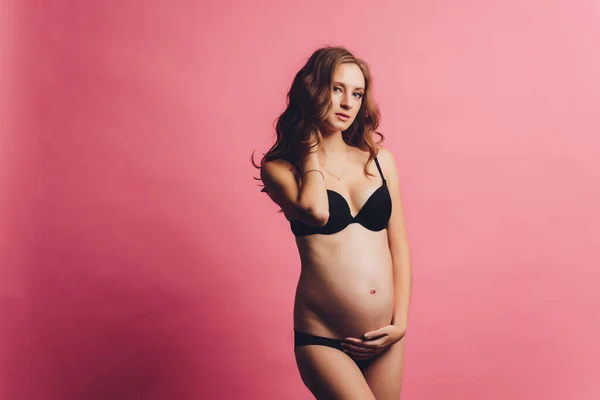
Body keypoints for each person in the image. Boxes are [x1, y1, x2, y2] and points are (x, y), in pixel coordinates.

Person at [251, 46, 412, 399]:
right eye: (337, 89)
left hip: (385, 336)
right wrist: (309, 148)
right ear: (313, 90)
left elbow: (397, 245)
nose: (347, 103)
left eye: (356, 93)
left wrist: (400, 323)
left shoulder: (381, 162)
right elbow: (317, 211)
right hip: (323, 338)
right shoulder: (281, 168)